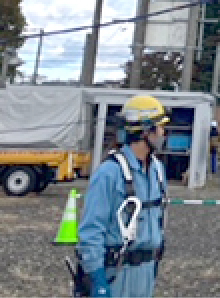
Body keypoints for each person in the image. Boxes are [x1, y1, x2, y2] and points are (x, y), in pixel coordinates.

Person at [78, 95, 169, 298]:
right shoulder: (109, 173)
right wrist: (97, 279)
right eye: (160, 127)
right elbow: (91, 230)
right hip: (116, 275)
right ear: (145, 131)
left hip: (145, 274)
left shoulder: (157, 170)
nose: (163, 133)